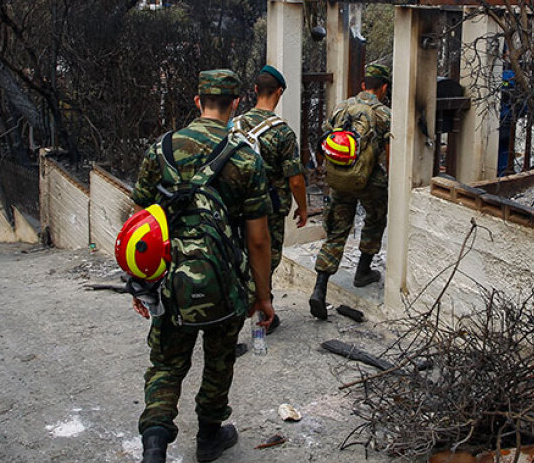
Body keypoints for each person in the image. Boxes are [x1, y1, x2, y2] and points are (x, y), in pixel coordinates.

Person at [129, 69, 275, 463]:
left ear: (198, 101)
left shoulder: (161, 150)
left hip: (170, 282)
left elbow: (139, 224)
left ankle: (154, 445)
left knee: (165, 364)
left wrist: (139, 283)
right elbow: (258, 239)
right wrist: (262, 296)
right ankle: (210, 436)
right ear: (235, 104)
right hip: (225, 281)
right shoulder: (246, 158)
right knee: (219, 360)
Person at [309, 62, 391, 320]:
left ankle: (320, 288)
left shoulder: (341, 107)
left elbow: (325, 141)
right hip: (369, 180)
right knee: (376, 218)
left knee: (337, 230)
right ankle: (363, 271)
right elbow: (389, 154)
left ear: (364, 85)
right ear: (384, 88)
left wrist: (329, 171)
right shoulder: (384, 114)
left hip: (339, 177)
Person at [232, 65, 308, 333]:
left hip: (235, 206)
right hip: (269, 209)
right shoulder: (283, 133)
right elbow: (295, 179)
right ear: (280, 92)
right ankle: (246, 317)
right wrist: (303, 208)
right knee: (266, 260)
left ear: (255, 90)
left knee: (238, 257)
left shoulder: (234, 125)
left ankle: (265, 309)